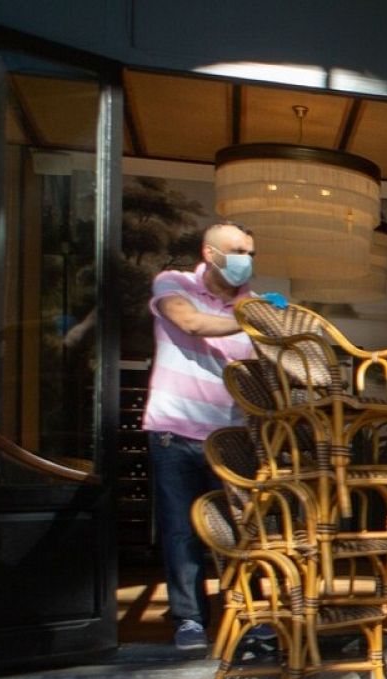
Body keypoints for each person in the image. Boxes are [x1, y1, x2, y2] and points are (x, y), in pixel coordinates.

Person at [141, 221, 263, 651]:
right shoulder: (174, 283)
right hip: (174, 430)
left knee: (239, 530)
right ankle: (190, 619)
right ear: (210, 254)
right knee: (180, 530)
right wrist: (252, 321)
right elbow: (190, 323)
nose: (244, 260)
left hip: (231, 437)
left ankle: (250, 616)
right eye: (236, 250)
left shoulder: (251, 304)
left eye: (250, 251)